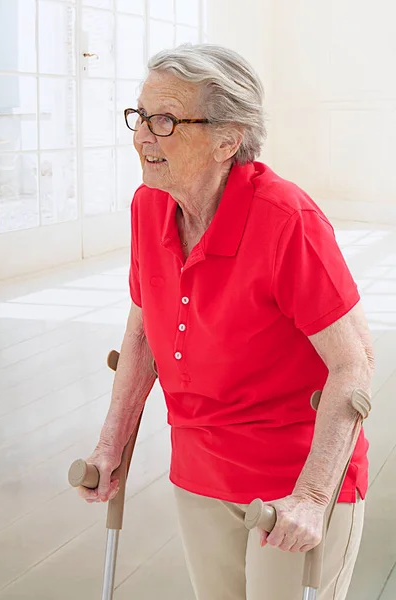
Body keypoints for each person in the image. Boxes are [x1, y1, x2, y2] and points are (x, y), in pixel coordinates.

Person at [78, 44, 374, 600]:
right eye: (139, 117)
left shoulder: (288, 222)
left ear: (227, 138)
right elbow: (143, 335)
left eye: (165, 120)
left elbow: (354, 362)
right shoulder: (149, 206)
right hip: (199, 472)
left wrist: (312, 497)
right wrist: (109, 445)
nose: (142, 136)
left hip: (292, 484)